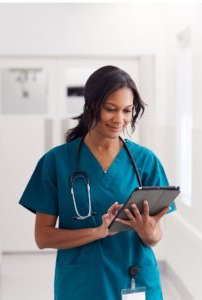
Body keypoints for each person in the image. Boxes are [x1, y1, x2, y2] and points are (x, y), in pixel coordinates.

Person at [19, 65, 175, 300]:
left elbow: (154, 236)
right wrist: (98, 231)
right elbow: (43, 237)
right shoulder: (57, 162)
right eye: (110, 109)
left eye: (127, 111)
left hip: (135, 279)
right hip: (82, 284)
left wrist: (149, 233)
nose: (119, 119)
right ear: (91, 105)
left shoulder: (145, 161)